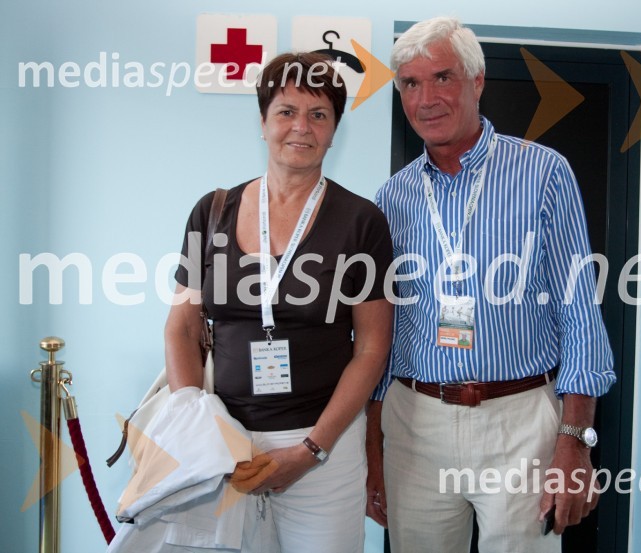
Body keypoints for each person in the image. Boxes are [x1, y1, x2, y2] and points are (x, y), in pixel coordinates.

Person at [365, 17, 615, 553]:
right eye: (410, 83)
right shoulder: (392, 199)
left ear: (477, 81)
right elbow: (382, 340)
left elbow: (579, 310)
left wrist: (574, 442)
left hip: (520, 422)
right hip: (415, 424)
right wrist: (374, 453)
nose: (425, 98)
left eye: (442, 78)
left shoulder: (544, 172)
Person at [164, 51, 393, 552]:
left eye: (319, 115)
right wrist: (201, 431)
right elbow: (181, 325)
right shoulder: (213, 211)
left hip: (322, 450)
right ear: (263, 122)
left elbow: (372, 348)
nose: (301, 128)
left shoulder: (362, 222)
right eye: (286, 111)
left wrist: (312, 450)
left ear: (334, 130)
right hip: (226, 445)